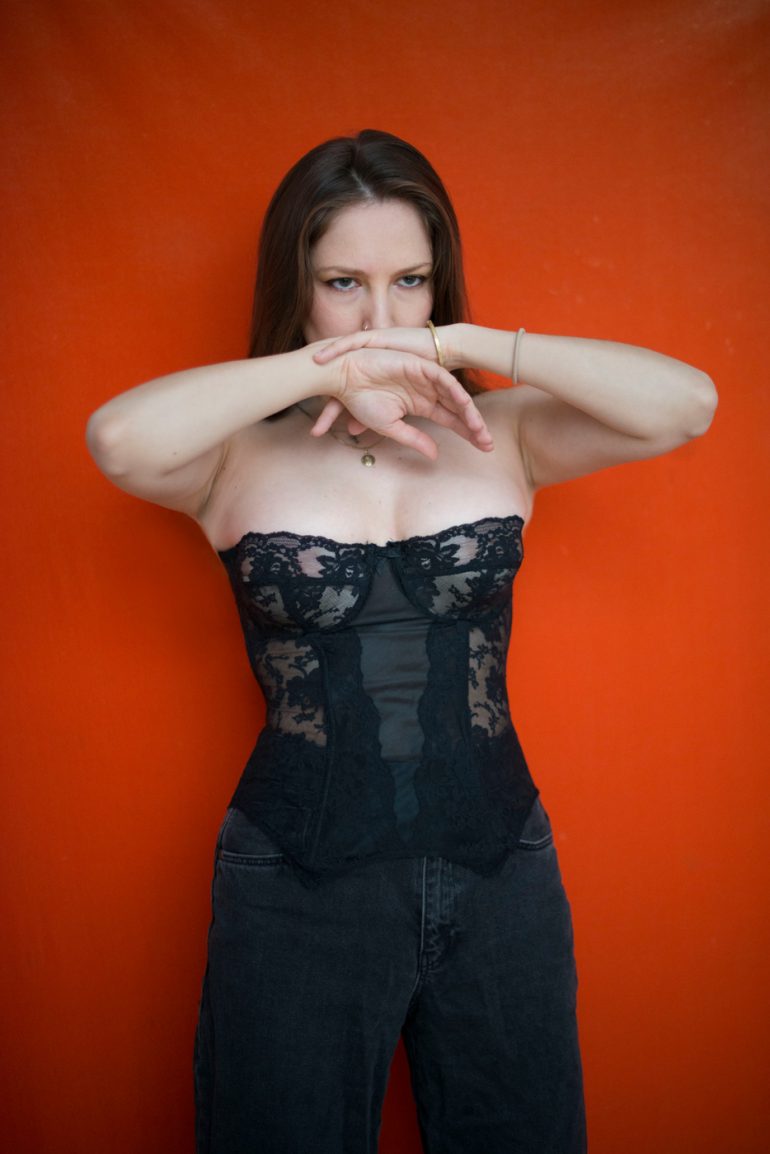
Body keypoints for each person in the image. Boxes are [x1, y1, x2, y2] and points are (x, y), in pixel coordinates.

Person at [86, 129, 717, 1154]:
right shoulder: (229, 455)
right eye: (343, 283)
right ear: (295, 286)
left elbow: (687, 406)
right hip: (295, 882)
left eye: (409, 281)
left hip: (499, 872)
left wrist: (453, 344)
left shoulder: (504, 434)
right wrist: (324, 368)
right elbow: (116, 438)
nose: (379, 317)